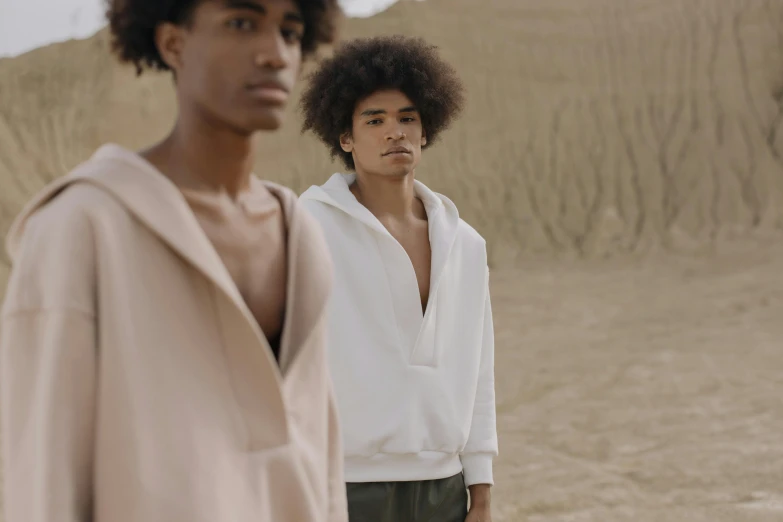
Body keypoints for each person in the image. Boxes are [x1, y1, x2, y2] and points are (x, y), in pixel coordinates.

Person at [0, 1, 348, 521]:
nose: (275, 54)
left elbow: (320, 463)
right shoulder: (82, 228)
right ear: (172, 43)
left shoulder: (301, 236)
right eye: (241, 23)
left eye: (291, 32)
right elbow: (39, 481)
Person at [299, 35, 499, 522]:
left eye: (407, 118)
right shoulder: (304, 228)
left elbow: (479, 372)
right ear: (345, 138)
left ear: (426, 129)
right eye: (375, 120)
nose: (395, 132)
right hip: (340, 486)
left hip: (443, 490)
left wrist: (482, 493)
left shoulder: (465, 244)